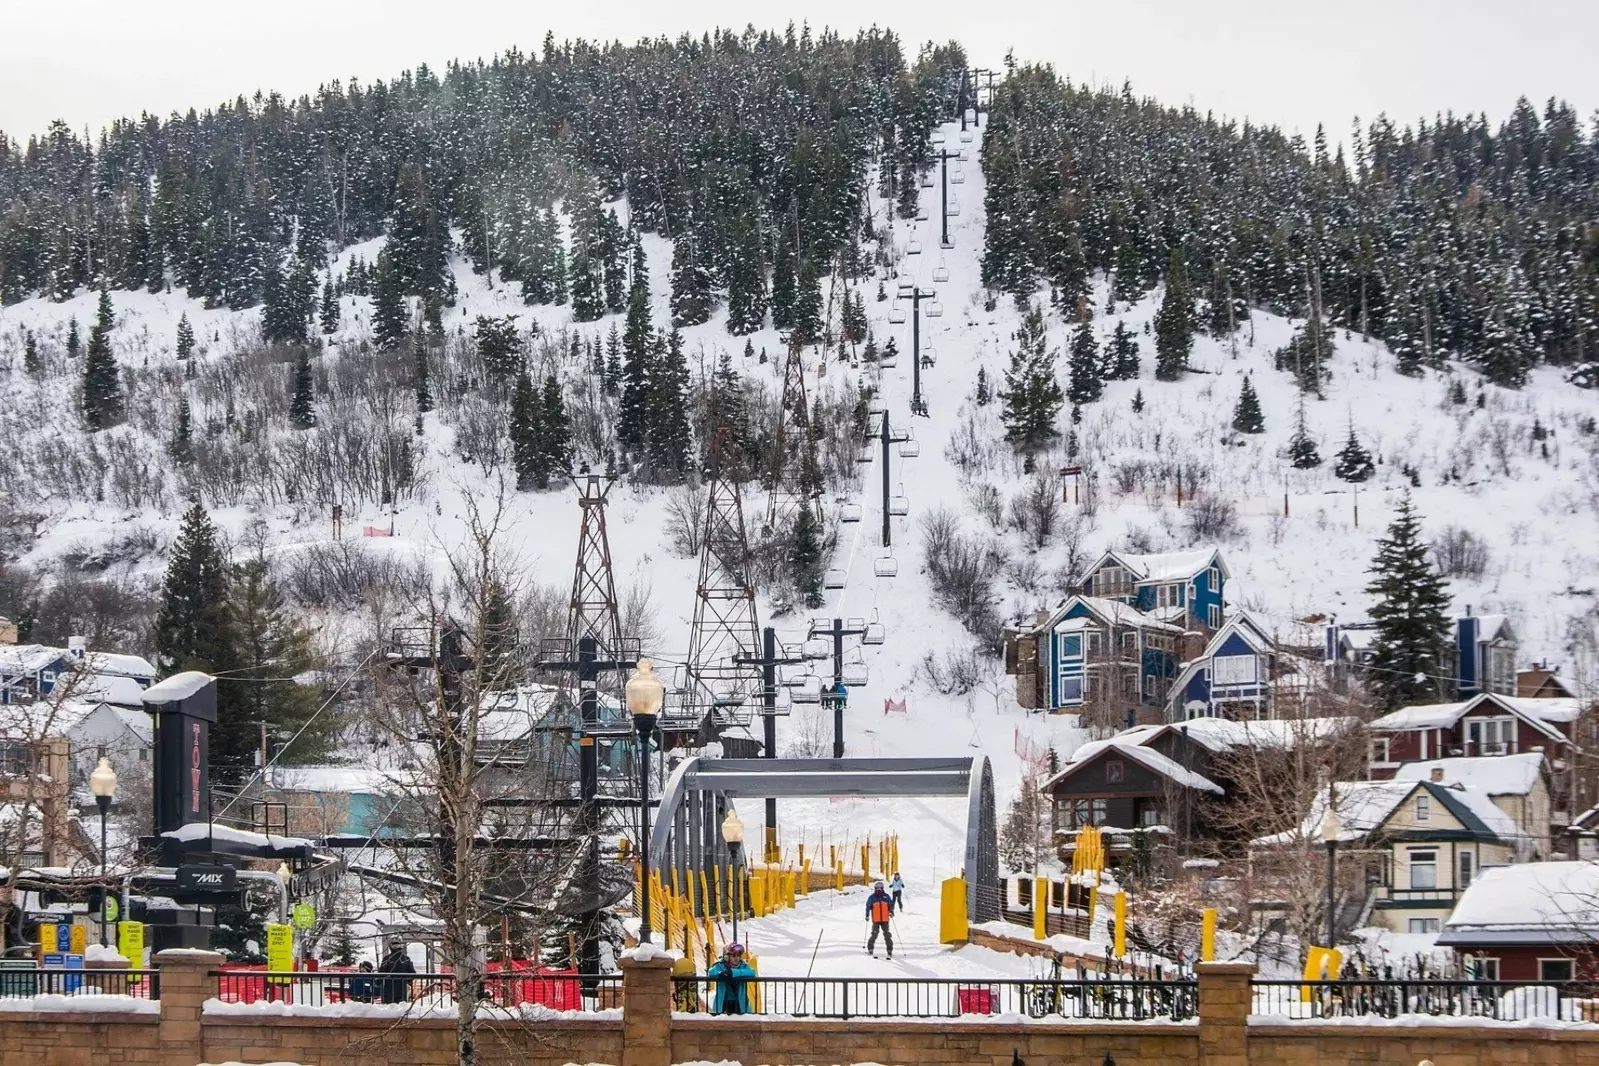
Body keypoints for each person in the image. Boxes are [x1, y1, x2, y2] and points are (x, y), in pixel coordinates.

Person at [707, 943, 756, 1015]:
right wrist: (721, 974)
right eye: (733, 956)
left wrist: (733, 972)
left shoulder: (743, 965)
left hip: (739, 1003)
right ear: (726, 957)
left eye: (738, 956)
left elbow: (752, 972)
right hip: (723, 1002)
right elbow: (711, 972)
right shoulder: (720, 965)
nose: (737, 958)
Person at [377, 938, 416, 1004]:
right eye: (394, 944)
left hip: (390, 988)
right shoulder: (406, 959)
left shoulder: (387, 959)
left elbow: (381, 973)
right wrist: (408, 980)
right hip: (400, 987)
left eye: (396, 944)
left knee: (389, 1008)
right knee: (400, 1007)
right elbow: (412, 974)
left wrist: (378, 982)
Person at [865, 880, 895, 958]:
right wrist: (867, 915)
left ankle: (889, 950)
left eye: (880, 888)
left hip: (885, 919)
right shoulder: (872, 897)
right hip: (876, 919)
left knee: (887, 935)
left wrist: (891, 912)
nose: (879, 890)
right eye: (877, 888)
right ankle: (870, 948)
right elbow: (868, 906)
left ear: (882, 888)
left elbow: (891, 905)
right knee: (874, 934)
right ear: (875, 889)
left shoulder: (886, 896)